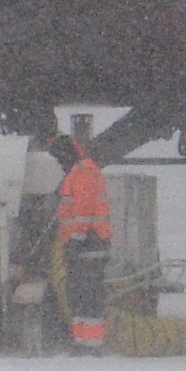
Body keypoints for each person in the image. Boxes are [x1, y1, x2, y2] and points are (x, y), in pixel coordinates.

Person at [54, 127, 117, 352]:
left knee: (88, 294)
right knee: (78, 293)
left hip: (90, 244)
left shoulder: (83, 173)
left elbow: (83, 211)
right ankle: (81, 341)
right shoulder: (76, 173)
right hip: (83, 244)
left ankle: (92, 344)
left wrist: (75, 240)